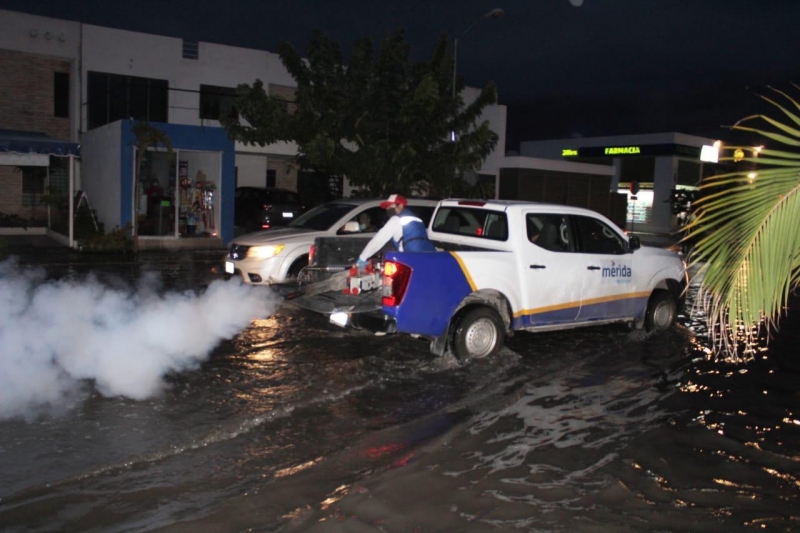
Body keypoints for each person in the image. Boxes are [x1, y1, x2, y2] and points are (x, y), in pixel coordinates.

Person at [355, 194, 435, 270]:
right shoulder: (416, 219)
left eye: (391, 205)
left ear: (400, 205)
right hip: (429, 257)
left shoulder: (396, 219)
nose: (388, 208)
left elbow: (378, 240)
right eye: (387, 206)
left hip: (412, 260)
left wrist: (362, 259)